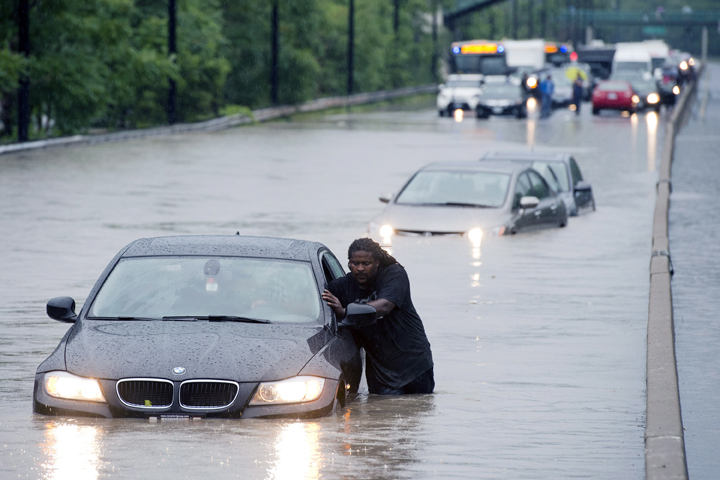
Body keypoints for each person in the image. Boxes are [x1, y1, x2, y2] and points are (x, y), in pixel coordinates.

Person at [322, 238, 434, 395]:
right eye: (355, 263)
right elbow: (315, 297)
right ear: (349, 263)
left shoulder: (394, 275)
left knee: (417, 412)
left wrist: (345, 312)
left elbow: (384, 306)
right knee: (380, 415)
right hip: (380, 371)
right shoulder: (343, 286)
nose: (360, 268)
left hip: (414, 365)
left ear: (377, 262)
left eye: (366, 263)